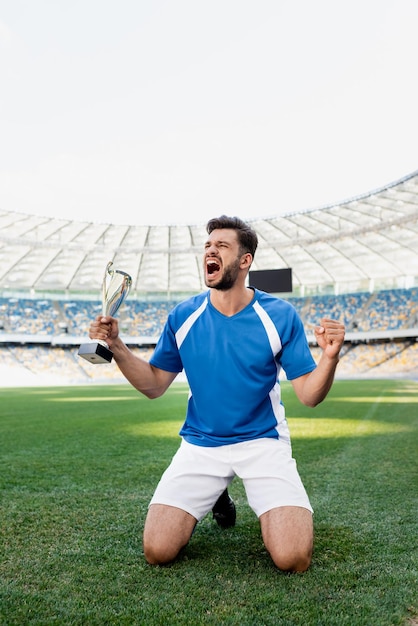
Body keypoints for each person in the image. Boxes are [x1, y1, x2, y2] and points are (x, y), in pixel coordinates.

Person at [89, 215, 345, 573]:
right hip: (201, 445)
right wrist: (115, 344)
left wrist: (330, 358)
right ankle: (215, 491)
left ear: (245, 261)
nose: (211, 251)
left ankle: (235, 494)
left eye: (221, 246)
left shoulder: (279, 315)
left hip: (262, 442)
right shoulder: (183, 316)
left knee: (293, 558)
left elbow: (309, 395)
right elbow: (153, 385)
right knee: (157, 551)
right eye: (208, 246)